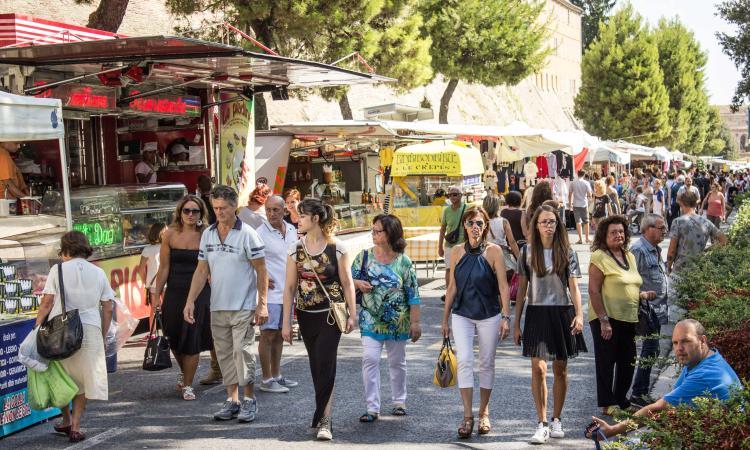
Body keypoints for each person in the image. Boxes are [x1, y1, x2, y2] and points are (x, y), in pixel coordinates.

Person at [184, 185, 269, 423]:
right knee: (224, 355)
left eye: (223, 208)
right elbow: (202, 270)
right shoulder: (209, 234)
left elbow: (262, 270)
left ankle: (249, 399)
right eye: (215, 208)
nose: (219, 212)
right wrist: (190, 300)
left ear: (235, 207)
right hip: (218, 305)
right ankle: (232, 400)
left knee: (243, 352)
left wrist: (262, 304)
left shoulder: (248, 233)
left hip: (243, 305)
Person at [587, 319, 741, 441]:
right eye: (675, 342)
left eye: (685, 341)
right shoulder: (704, 359)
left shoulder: (704, 374)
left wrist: (612, 430)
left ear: (702, 341)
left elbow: (657, 409)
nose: (679, 348)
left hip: (725, 438)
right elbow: (671, 401)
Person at [281, 198, 357, 441]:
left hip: (330, 316)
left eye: (302, 216)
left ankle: (326, 420)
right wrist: (285, 322)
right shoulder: (296, 248)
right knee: (316, 365)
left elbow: (347, 283)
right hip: (306, 315)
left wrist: (352, 314)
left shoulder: (337, 247)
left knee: (326, 362)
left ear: (315, 219)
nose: (297, 219)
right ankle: (320, 412)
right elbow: (290, 287)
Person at [513, 205, 586, 444]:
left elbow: (573, 287)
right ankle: (542, 422)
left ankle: (557, 419)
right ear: (536, 224)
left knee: (560, 369)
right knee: (539, 368)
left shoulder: (567, 251)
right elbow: (522, 290)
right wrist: (516, 323)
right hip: (536, 312)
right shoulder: (526, 252)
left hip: (562, 312)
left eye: (552, 222)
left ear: (558, 225)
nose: (549, 226)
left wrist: (579, 314)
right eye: (544, 222)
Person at [36, 231, 115, 443]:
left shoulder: (57, 269)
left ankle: (66, 418)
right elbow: (108, 307)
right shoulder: (98, 272)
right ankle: (76, 427)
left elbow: (47, 302)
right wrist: (103, 334)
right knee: (82, 381)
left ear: (65, 248)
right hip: (89, 329)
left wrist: (36, 328)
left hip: (61, 330)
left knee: (62, 376)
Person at [441, 206, 511, 439]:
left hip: (489, 313)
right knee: (464, 361)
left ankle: (484, 413)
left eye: (480, 223)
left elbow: (503, 286)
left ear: (485, 227)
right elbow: (452, 287)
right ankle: (467, 416)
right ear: (464, 225)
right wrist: (444, 320)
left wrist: (505, 316)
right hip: (462, 313)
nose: (475, 227)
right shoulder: (457, 251)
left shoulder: (494, 252)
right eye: (471, 223)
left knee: (486, 362)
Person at [352, 214, 421, 422]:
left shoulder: (403, 261)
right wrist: (357, 284)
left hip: (398, 321)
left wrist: (416, 322)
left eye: (377, 230)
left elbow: (413, 293)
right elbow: (348, 280)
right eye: (372, 230)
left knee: (397, 362)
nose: (373, 234)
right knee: (370, 359)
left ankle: (399, 401)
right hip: (370, 320)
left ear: (390, 233)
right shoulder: (363, 257)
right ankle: (372, 407)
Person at [588, 215, 656, 416]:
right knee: (606, 361)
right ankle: (607, 404)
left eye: (621, 231)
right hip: (607, 318)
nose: (618, 235)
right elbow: (593, 290)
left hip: (629, 318)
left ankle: (621, 400)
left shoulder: (630, 256)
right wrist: (603, 320)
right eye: (613, 232)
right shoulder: (599, 256)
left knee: (628, 361)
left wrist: (642, 294)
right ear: (604, 236)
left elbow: (630, 284)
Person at [151, 195, 213, 401]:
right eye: (186, 210)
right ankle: (184, 372)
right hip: (175, 291)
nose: (190, 215)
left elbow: (211, 266)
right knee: (174, 336)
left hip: (200, 291)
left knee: (193, 335)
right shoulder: (169, 235)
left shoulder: (207, 234)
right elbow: (164, 267)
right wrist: (156, 293)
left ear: (201, 214)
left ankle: (188, 384)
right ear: (180, 212)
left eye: (195, 211)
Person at [255, 196, 299, 393]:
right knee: (268, 335)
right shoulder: (259, 233)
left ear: (284, 210)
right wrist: (261, 277)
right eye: (268, 209)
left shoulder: (291, 229)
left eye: (275, 210)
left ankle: (277, 375)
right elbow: (250, 258)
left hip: (288, 292)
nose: (271, 214)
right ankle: (266, 379)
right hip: (271, 294)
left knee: (280, 335)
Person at [629, 214, 669, 407]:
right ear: (648, 229)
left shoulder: (654, 249)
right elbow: (628, 280)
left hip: (657, 309)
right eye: (661, 228)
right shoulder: (638, 250)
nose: (665, 231)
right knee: (650, 349)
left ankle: (641, 391)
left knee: (652, 350)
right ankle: (638, 393)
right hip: (646, 310)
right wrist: (642, 295)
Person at [667, 190, 727, 275]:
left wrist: (668, 267)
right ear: (695, 204)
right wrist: (706, 251)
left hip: (680, 269)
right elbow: (724, 240)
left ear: (681, 203)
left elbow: (672, 250)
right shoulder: (706, 222)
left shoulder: (677, 222)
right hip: (698, 268)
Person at [438, 186, 466, 301]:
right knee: (449, 269)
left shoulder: (467, 209)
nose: (452, 197)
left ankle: (462, 292)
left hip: (464, 245)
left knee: (463, 269)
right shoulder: (447, 211)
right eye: (450, 195)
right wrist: (440, 247)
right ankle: (449, 292)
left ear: (461, 195)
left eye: (455, 194)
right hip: (449, 245)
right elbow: (443, 229)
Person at [483, 193, 519, 282]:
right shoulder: (503, 222)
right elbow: (512, 242)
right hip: (502, 256)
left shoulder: (481, 222)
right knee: (504, 284)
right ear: (497, 206)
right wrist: (519, 258)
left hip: (485, 256)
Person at [139, 222, 166, 335]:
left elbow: (141, 269)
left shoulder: (147, 249)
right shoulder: (167, 247)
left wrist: (146, 282)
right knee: (167, 309)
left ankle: (152, 334)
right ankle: (168, 332)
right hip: (166, 283)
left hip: (153, 284)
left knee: (153, 310)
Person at [569, 170, 593, 244]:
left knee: (578, 222)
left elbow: (570, 194)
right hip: (584, 204)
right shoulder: (586, 183)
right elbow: (589, 194)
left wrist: (570, 203)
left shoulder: (573, 182)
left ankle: (580, 239)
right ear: (584, 175)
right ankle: (587, 238)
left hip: (576, 204)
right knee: (586, 221)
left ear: (577, 174)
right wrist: (590, 199)